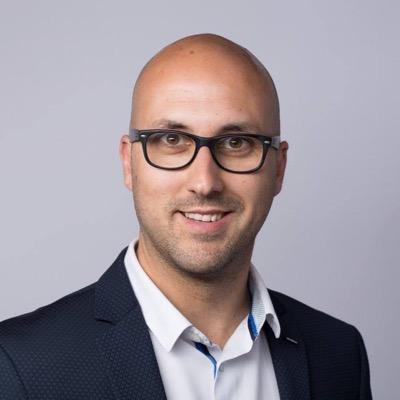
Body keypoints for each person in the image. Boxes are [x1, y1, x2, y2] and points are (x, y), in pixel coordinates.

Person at [0, 33, 372, 400]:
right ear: (129, 163)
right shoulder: (21, 365)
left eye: (237, 143)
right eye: (172, 141)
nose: (205, 183)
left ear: (279, 169)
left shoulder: (339, 354)